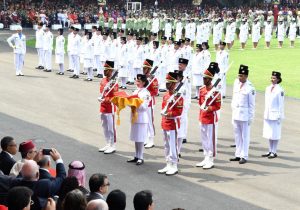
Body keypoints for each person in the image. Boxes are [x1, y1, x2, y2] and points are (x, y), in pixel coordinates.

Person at [0, 148, 66, 210]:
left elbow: (21, 175)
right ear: (37, 174)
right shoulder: (45, 185)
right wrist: (58, 159)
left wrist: (34, 160)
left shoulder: (15, 183)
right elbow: (61, 177)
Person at [196, 62, 221, 169]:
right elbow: (200, 102)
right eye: (203, 78)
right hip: (202, 116)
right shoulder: (202, 90)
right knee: (204, 138)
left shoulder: (215, 92)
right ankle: (206, 156)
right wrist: (204, 105)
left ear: (210, 79)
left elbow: (218, 106)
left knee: (211, 139)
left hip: (211, 118)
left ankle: (210, 158)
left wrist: (209, 108)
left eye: (206, 78)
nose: (204, 80)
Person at [158, 72, 183, 176]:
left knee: (173, 145)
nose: (167, 85)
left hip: (173, 123)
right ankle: (168, 163)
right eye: (167, 82)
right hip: (165, 122)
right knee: (166, 145)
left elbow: (179, 112)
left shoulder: (178, 97)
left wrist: (170, 113)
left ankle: (174, 165)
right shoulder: (166, 95)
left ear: (174, 84)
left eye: (169, 83)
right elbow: (163, 108)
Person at [230, 65, 255, 164]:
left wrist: (250, 118)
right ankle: (238, 154)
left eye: (241, 76)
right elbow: (234, 98)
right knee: (237, 135)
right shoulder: (236, 84)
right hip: (236, 114)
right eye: (239, 75)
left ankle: (244, 155)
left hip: (244, 116)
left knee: (245, 136)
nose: (239, 77)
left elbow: (252, 105)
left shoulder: (250, 88)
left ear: (246, 76)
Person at [127, 74, 151, 165]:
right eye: (137, 81)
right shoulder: (136, 91)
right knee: (136, 138)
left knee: (140, 138)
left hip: (141, 117)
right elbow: (130, 103)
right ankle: (136, 155)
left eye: (139, 81)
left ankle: (141, 157)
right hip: (134, 116)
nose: (137, 83)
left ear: (144, 82)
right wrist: (128, 102)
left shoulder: (146, 93)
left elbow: (144, 107)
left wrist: (136, 102)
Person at [262, 71, 284, 159]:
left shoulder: (280, 90)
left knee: (275, 134)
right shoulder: (268, 88)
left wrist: (279, 116)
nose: (272, 79)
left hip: (275, 115)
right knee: (269, 133)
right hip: (268, 114)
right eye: (271, 78)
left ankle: (274, 151)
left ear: (278, 79)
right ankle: (270, 150)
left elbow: (281, 104)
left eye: (274, 78)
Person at [98, 61, 119, 154]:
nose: (104, 71)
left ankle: (112, 145)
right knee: (104, 126)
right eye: (104, 69)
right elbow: (101, 92)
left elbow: (115, 96)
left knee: (111, 127)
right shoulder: (103, 80)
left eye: (106, 70)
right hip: (102, 107)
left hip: (110, 108)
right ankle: (107, 143)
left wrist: (105, 99)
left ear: (111, 71)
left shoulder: (114, 83)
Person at [143, 59, 158, 149]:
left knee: (149, 121)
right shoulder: (143, 77)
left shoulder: (153, 79)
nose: (144, 69)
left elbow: (155, 92)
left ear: (149, 69)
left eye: (145, 68)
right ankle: (146, 138)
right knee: (144, 121)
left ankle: (151, 139)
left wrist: (147, 93)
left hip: (150, 102)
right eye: (143, 68)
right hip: (142, 102)